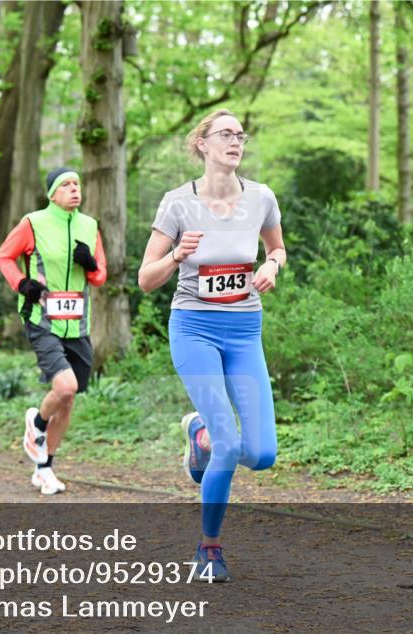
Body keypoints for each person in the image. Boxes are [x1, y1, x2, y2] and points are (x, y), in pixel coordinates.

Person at [137, 110, 285, 582]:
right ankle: (209, 548)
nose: (235, 140)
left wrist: (272, 266)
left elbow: (277, 248)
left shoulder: (261, 197)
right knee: (228, 445)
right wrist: (178, 255)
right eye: (225, 133)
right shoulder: (178, 204)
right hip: (194, 327)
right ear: (201, 144)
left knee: (261, 454)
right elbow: (145, 279)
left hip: (244, 330)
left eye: (240, 134)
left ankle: (199, 434)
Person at [0, 167, 107, 495]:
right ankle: (38, 424)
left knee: (68, 400)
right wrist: (21, 282)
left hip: (78, 322)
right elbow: (4, 256)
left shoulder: (90, 226)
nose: (74, 189)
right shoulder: (34, 222)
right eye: (66, 185)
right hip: (42, 318)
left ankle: (45, 468)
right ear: (52, 194)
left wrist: (90, 264)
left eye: (77, 184)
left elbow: (100, 277)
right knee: (66, 387)